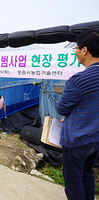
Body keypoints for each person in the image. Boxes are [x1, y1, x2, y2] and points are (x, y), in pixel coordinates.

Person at [56, 28, 99, 200]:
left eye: (76, 48)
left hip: (76, 141)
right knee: (87, 175)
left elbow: (62, 109)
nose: (75, 52)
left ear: (84, 50)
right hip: (95, 139)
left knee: (74, 184)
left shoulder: (78, 80)